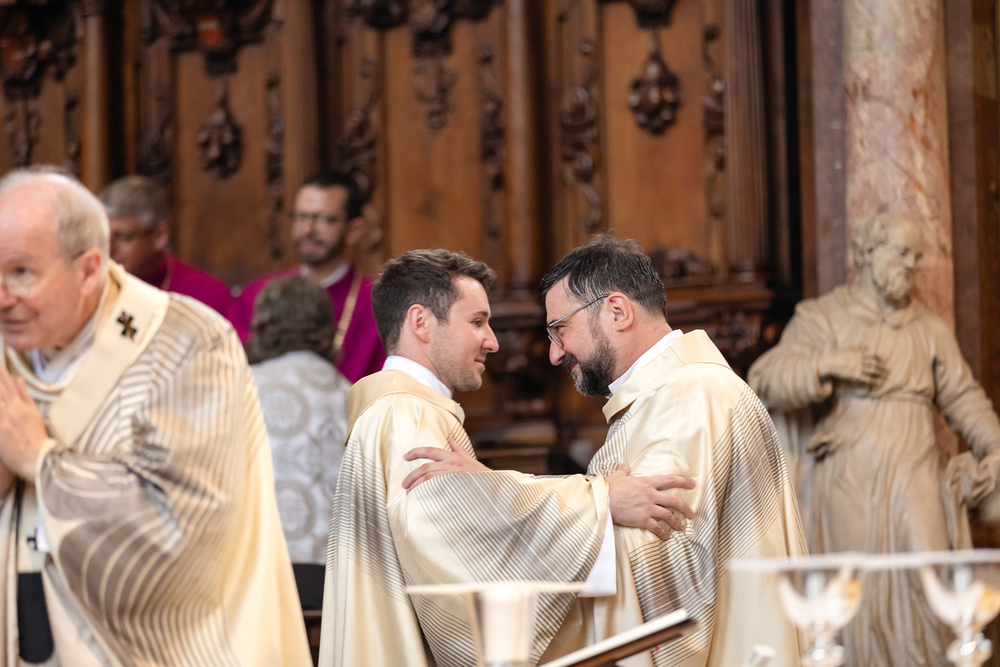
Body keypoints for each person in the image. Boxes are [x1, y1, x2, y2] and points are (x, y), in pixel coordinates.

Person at [320, 248, 698, 667]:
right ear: (420, 322)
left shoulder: (399, 409)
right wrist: (599, 501)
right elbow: (453, 549)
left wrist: (487, 483)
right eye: (477, 322)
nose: (493, 341)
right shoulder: (407, 414)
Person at [0, 169, 311, 666]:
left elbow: (182, 530)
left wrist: (40, 461)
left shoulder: (187, 345)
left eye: (21, 273)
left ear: (89, 269)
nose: (3, 297)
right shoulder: (9, 347)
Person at [748, 213, 1000, 667]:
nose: (911, 264)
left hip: (915, 472)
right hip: (849, 476)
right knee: (853, 589)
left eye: (916, 256)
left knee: (928, 584)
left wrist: (995, 445)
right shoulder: (823, 318)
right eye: (900, 252)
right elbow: (767, 377)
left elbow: (964, 397)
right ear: (867, 252)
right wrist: (828, 364)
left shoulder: (929, 329)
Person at [247, 276, 351, 611]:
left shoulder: (244, 386)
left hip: (263, 571)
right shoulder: (350, 392)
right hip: (339, 577)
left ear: (263, 325)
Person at [228, 171, 385, 383]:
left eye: (323, 219)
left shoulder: (379, 305)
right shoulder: (257, 295)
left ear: (354, 230)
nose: (308, 230)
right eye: (301, 217)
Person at [100, 175, 234, 315]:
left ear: (159, 236)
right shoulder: (90, 288)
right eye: (103, 236)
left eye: (123, 237)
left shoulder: (207, 296)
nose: (108, 250)